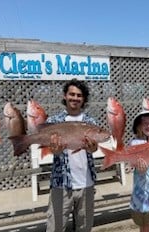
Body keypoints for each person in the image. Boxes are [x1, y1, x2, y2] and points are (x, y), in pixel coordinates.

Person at [45, 78, 98, 232]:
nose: (75, 98)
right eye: (72, 94)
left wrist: (92, 148)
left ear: (84, 99)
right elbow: (52, 151)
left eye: (79, 95)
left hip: (87, 184)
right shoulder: (54, 121)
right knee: (55, 227)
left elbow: (93, 150)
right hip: (61, 184)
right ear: (65, 96)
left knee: (85, 228)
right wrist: (56, 150)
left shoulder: (90, 121)